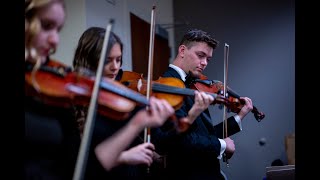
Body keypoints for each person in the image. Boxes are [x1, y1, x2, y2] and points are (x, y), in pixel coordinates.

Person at [72, 26, 175, 179]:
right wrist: (124, 157)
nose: (115, 67)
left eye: (118, 60)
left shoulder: (121, 99)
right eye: (108, 61)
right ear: (90, 60)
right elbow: (77, 160)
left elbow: (147, 138)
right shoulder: (74, 98)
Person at [150, 29, 254, 180]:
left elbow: (204, 135)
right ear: (182, 50)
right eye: (200, 56)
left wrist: (239, 116)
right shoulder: (168, 86)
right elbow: (181, 142)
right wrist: (221, 145)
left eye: (208, 59)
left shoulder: (192, 85)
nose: (204, 63)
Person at [25, 0, 81, 180]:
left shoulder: (54, 90)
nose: (55, 40)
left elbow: (75, 163)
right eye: (46, 26)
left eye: (58, 30)